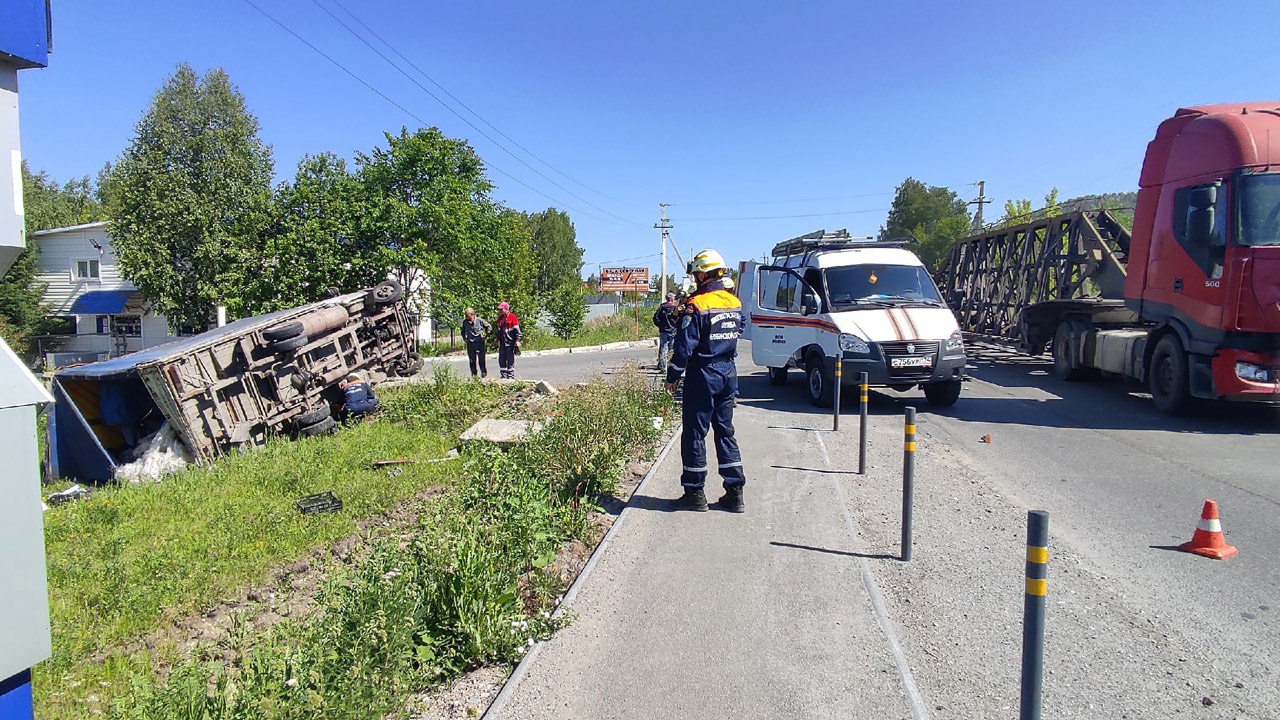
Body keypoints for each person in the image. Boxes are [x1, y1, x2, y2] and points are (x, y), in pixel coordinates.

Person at [664, 249, 746, 513]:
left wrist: (673, 377)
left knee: (695, 434)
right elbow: (739, 328)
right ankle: (735, 493)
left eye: (696, 273)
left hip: (703, 374)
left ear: (702, 274)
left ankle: (694, 493)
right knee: (725, 432)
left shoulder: (697, 305)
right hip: (728, 372)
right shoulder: (733, 302)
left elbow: (684, 347)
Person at [461, 307, 492, 378]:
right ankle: (474, 375)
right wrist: (465, 338)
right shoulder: (465, 322)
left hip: (479, 343)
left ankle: (483, 372)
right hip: (470, 344)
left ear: (471, 314)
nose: (465, 316)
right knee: (472, 361)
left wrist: (486, 336)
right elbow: (463, 331)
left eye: (466, 315)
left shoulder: (479, 320)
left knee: (481, 360)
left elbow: (489, 327)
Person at [495, 301, 522, 379]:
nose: (500, 311)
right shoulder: (500, 318)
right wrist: (497, 340)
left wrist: (518, 340)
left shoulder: (512, 317)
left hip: (510, 342)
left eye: (501, 309)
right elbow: (499, 331)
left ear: (506, 309)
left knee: (510, 359)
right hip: (503, 342)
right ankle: (503, 375)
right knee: (501, 358)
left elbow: (517, 331)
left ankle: (510, 376)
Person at [652, 292, 678, 372]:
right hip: (673, 331)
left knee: (663, 349)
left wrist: (660, 326)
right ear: (672, 299)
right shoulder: (675, 308)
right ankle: (670, 367)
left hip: (663, 331)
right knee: (672, 350)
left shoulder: (662, 307)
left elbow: (655, 318)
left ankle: (663, 368)